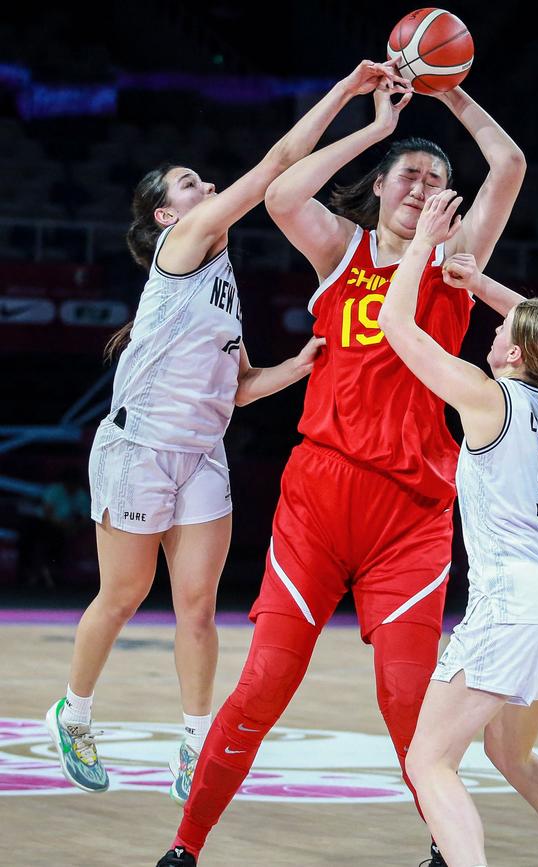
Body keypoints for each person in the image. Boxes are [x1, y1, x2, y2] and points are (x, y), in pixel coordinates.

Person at [156, 80, 526, 867]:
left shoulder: (456, 263)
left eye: (435, 179)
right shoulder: (340, 250)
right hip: (318, 503)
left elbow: (510, 161)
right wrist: (378, 122)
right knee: (263, 687)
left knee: (405, 701)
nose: (422, 187)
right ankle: (185, 847)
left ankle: (444, 848)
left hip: (412, 512)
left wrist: (449, 92)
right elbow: (286, 190)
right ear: (382, 188)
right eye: (408, 175)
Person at [45, 58, 407, 805]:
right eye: (188, 184)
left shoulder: (223, 278)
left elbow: (240, 389)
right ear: (165, 218)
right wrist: (351, 97)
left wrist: (300, 367)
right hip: (139, 447)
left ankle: (192, 738)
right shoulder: (184, 249)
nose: (204, 186)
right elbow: (278, 166)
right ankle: (73, 711)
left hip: (200, 454)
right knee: (123, 595)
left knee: (198, 607)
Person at [378, 190, 538, 867]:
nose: (492, 330)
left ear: (515, 353)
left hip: (513, 605)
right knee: (511, 752)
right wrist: (476, 280)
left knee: (430, 761)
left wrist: (424, 243)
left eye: (502, 329)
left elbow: (396, 324)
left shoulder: (489, 398)